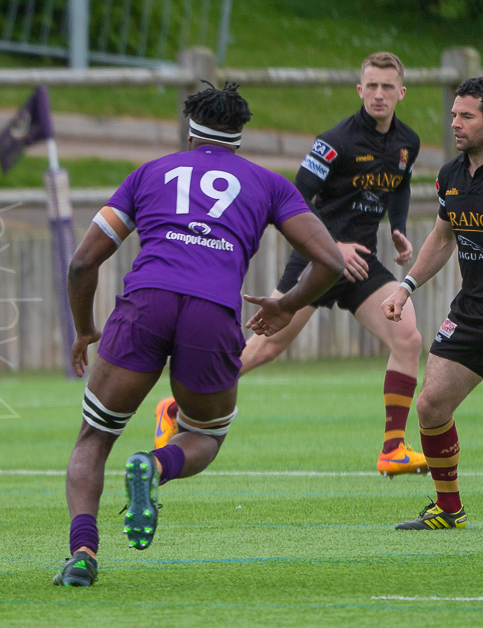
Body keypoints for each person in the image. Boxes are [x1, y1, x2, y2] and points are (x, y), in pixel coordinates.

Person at [53, 83, 344, 587]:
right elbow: (331, 262)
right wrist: (286, 304)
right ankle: (155, 464)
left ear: (190, 130)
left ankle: (82, 554)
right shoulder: (269, 184)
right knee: (205, 435)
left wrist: (84, 330)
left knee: (95, 438)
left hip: (145, 303)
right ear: (238, 135)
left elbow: (82, 264)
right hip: (211, 312)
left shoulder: (150, 173)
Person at [152, 53, 427, 478]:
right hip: (320, 260)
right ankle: (174, 407)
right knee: (267, 347)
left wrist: (399, 228)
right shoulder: (334, 141)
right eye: (370, 86)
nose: (378, 94)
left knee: (408, 338)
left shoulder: (408, 141)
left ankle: (393, 448)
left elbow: (401, 186)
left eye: (387, 87)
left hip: (362, 266)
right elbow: (295, 200)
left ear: (401, 93)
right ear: (359, 90)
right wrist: (333, 247)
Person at [379, 77, 483, 531]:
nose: (455, 123)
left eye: (467, 116)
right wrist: (406, 286)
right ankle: (449, 508)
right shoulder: (451, 176)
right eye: (454, 114)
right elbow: (442, 238)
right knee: (431, 405)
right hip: (472, 311)